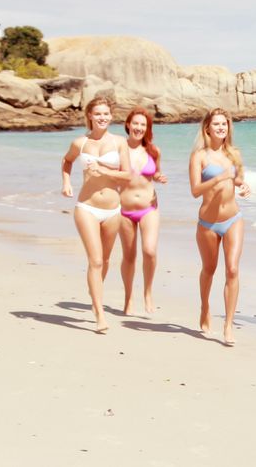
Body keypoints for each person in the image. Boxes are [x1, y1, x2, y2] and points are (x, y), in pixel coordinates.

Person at [60, 96, 131, 333]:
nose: (102, 117)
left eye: (106, 114)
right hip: (87, 207)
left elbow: (127, 176)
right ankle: (99, 312)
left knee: (106, 260)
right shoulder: (80, 143)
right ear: (90, 115)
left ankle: (95, 295)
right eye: (97, 113)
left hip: (113, 209)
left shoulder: (120, 142)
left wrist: (102, 169)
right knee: (96, 260)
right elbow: (67, 161)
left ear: (111, 116)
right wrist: (66, 182)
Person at [189, 108, 250, 345]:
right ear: (207, 128)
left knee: (232, 269)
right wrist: (217, 178)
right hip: (208, 223)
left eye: (224, 124)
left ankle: (228, 325)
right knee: (209, 269)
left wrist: (243, 186)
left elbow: (238, 180)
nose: (221, 128)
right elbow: (195, 190)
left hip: (233, 218)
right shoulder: (199, 156)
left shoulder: (234, 154)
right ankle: (205, 306)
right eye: (216, 124)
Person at [118, 107, 168, 315]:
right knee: (129, 256)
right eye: (135, 123)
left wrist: (159, 178)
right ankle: (128, 298)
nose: (138, 128)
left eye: (143, 125)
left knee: (149, 251)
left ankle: (147, 292)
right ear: (128, 125)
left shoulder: (153, 151)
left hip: (149, 208)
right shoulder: (119, 149)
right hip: (124, 210)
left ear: (147, 129)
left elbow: (155, 173)